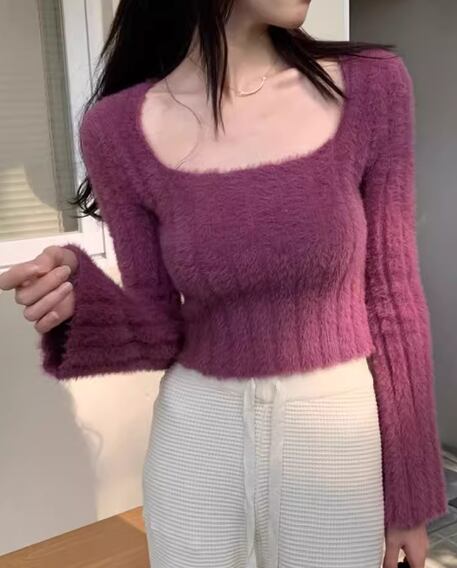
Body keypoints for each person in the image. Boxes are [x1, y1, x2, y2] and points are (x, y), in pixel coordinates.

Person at [0, 0, 448, 566]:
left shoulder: (373, 85)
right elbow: (158, 325)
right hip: (198, 437)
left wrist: (410, 495)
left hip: (336, 434)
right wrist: (80, 299)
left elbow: (392, 296)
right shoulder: (115, 130)